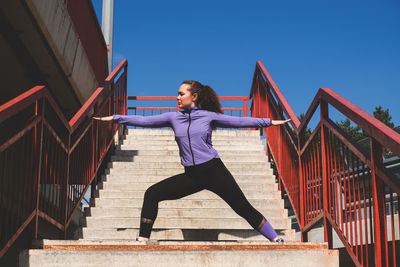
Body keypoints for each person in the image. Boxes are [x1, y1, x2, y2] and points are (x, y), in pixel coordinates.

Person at [93, 80, 291, 243]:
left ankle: (275, 239)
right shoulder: (173, 118)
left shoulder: (208, 117)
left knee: (242, 207)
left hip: (214, 171)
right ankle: (143, 239)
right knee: (152, 193)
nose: (177, 98)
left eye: (181, 94)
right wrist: (115, 118)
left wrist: (269, 122)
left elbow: (239, 122)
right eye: (177, 94)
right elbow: (144, 121)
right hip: (192, 175)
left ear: (193, 96)